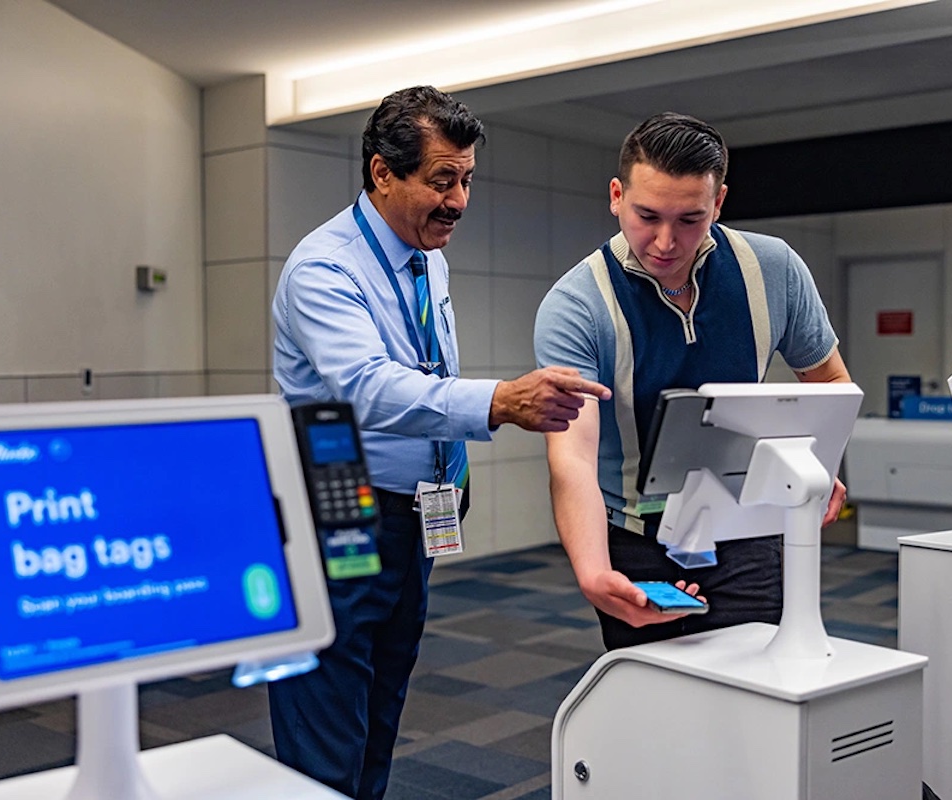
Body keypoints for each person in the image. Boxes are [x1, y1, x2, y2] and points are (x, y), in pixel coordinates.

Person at [269, 85, 610, 800]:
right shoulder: (324, 268)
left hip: (412, 514)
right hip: (336, 513)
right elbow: (364, 387)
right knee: (327, 723)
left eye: (466, 180)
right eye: (440, 180)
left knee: (383, 707)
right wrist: (499, 401)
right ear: (381, 172)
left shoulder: (429, 257)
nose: (458, 200)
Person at [534, 112, 849, 651]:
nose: (664, 241)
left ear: (719, 203)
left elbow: (832, 386)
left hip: (747, 525)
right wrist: (593, 572)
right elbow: (573, 457)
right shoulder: (576, 305)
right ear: (616, 195)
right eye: (647, 215)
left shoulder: (772, 268)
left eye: (690, 219)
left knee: (760, 690)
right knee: (656, 701)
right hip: (635, 536)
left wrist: (818, 463)